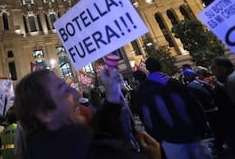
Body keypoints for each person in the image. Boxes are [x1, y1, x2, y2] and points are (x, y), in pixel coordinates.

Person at [14, 68, 161, 159]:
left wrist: (112, 96)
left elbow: (96, 130)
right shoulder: (91, 150)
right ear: (44, 114)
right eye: (64, 90)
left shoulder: (40, 148)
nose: (76, 94)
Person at [138, 57, 212, 159]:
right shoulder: (174, 82)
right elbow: (195, 105)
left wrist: (158, 137)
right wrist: (202, 127)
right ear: (160, 66)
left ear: (148, 68)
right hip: (192, 133)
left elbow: (147, 117)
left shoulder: (145, 89)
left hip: (171, 140)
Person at [209, 56, 235, 157]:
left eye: (214, 67)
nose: (211, 69)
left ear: (223, 68)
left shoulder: (232, 80)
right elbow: (227, 88)